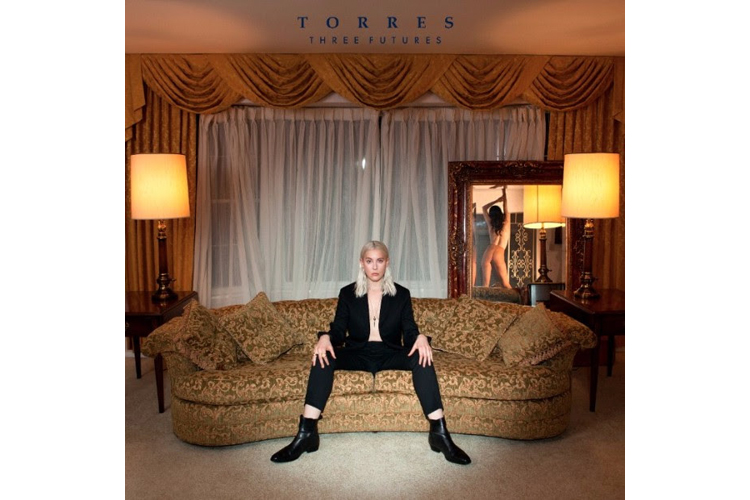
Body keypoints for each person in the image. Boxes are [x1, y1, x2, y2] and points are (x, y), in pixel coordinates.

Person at [271, 240, 471, 465]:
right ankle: (307, 433)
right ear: (361, 263)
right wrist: (325, 337)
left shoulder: (401, 294)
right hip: (358, 352)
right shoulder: (347, 294)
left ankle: (439, 434)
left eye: (379, 261)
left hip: (389, 352)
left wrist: (421, 337)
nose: (374, 267)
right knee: (323, 356)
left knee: (421, 357)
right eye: (369, 261)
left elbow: (409, 331)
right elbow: (339, 330)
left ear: (387, 263)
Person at [481, 186, 511, 288]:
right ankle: (518, 297)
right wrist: (504, 192)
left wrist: (496, 200)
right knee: (506, 284)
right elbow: (506, 207)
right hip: (499, 251)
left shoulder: (491, 224)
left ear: (491, 215)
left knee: (485, 285)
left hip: (490, 249)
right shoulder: (506, 222)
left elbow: (484, 208)